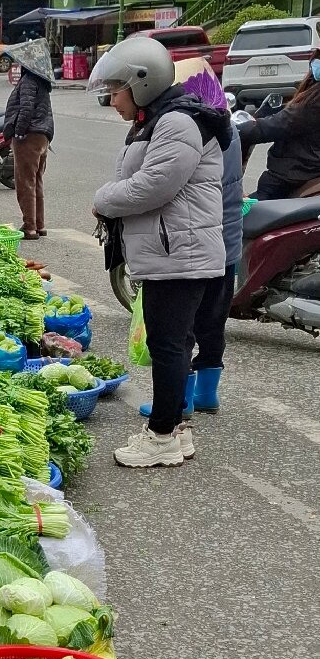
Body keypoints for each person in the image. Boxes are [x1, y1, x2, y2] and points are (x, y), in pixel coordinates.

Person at [89, 36, 230, 468]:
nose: (111, 100)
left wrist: (103, 198)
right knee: (174, 343)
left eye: (115, 91)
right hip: (173, 254)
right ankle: (177, 428)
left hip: (180, 257)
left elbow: (154, 186)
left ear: (142, 83)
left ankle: (162, 435)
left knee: (168, 346)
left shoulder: (176, 124)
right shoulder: (157, 119)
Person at [138, 60, 244, 423]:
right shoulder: (227, 128)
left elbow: (165, 186)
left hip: (198, 241)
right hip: (226, 238)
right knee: (213, 321)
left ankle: (178, 401)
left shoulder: (195, 129)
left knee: (179, 331)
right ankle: (206, 394)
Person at [236, 49, 320, 200]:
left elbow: (279, 124)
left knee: (247, 216)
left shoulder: (313, 103)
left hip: (293, 177)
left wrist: (239, 130)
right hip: (303, 174)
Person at [3, 39, 55, 239]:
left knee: (25, 183)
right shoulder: (42, 82)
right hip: (43, 136)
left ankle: (29, 227)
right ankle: (39, 225)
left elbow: (25, 108)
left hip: (29, 136)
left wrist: (19, 132)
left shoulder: (28, 81)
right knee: (36, 181)